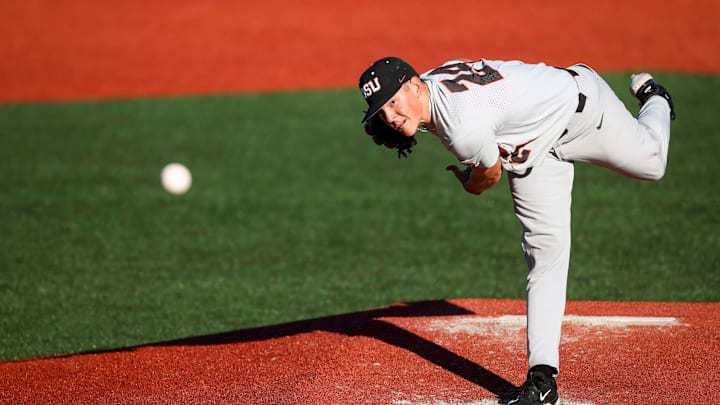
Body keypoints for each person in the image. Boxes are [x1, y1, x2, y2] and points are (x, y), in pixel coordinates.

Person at [357, 56, 675, 404]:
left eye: (392, 101)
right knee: (545, 259)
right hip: (532, 155)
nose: (389, 116)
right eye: (380, 110)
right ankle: (542, 379)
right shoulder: (429, 92)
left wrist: (470, 183)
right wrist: (409, 118)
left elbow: (488, 175)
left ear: (415, 86)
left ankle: (655, 97)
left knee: (653, 162)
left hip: (580, 112)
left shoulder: (461, 125)